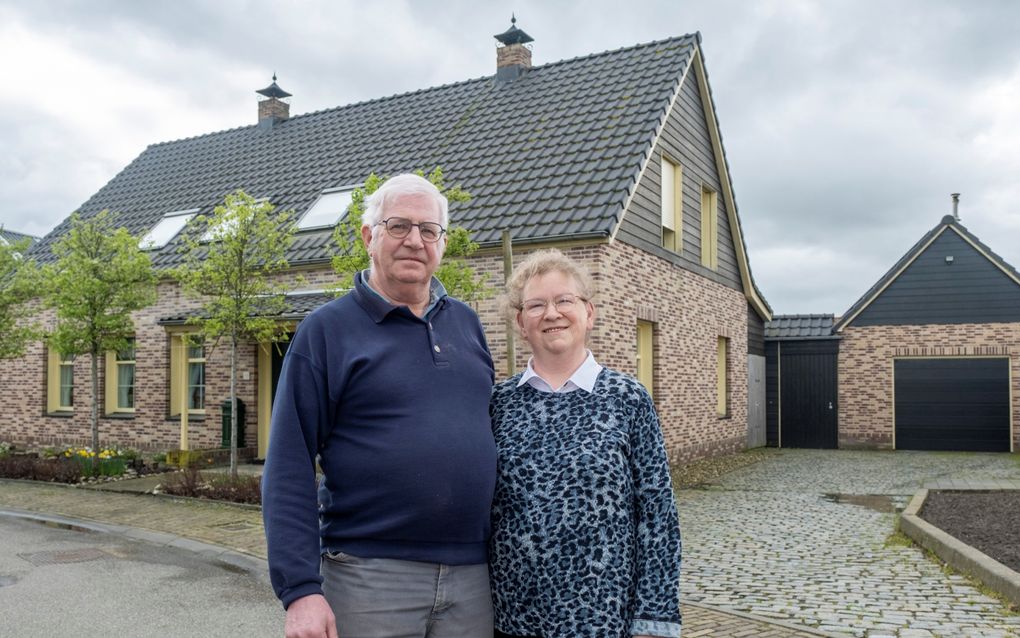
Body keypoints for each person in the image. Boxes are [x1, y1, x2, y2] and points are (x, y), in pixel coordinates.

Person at [262, 173, 497, 638]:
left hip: (473, 577)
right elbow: (288, 464)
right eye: (399, 226)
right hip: (368, 578)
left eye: (429, 230)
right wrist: (301, 590)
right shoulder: (326, 331)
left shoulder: (467, 325)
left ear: (442, 243)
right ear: (369, 237)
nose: (415, 240)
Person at [489, 249, 682, 638]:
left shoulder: (628, 398)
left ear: (588, 312)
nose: (552, 313)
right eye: (537, 304)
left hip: (604, 619)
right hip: (514, 619)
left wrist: (655, 618)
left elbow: (658, 513)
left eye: (564, 300)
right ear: (520, 322)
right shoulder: (498, 403)